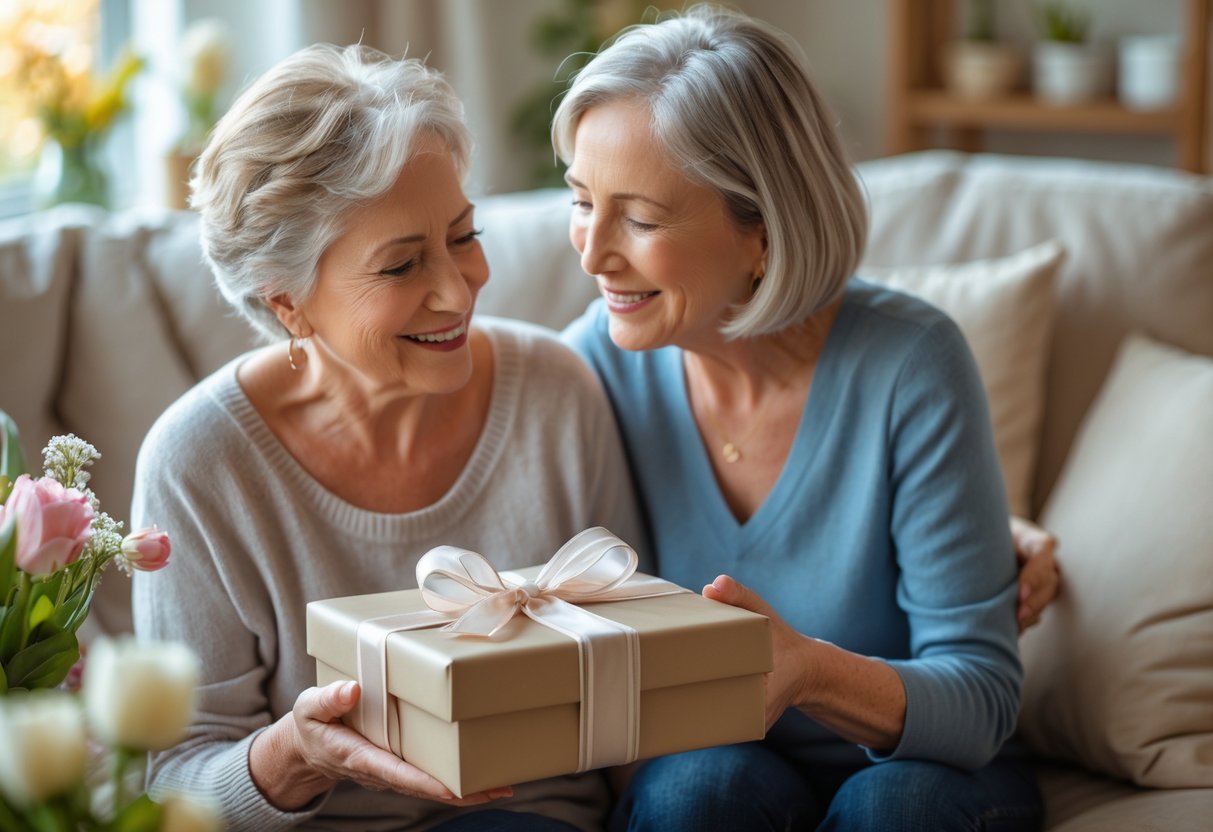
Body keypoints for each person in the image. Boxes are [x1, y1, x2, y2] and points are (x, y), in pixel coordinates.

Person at [553, 5, 1055, 830]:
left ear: (761, 230)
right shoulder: (593, 364)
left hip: (929, 774)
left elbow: (981, 700)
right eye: (580, 201)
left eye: (639, 218)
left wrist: (810, 673)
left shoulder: (910, 364)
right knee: (690, 789)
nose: (591, 250)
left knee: (895, 805)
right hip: (724, 771)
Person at [130, 44, 644, 832]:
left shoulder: (556, 391)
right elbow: (169, 781)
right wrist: (294, 755)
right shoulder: (199, 463)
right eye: (402, 267)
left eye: (463, 236)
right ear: (287, 306)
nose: (457, 288)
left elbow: (634, 677)